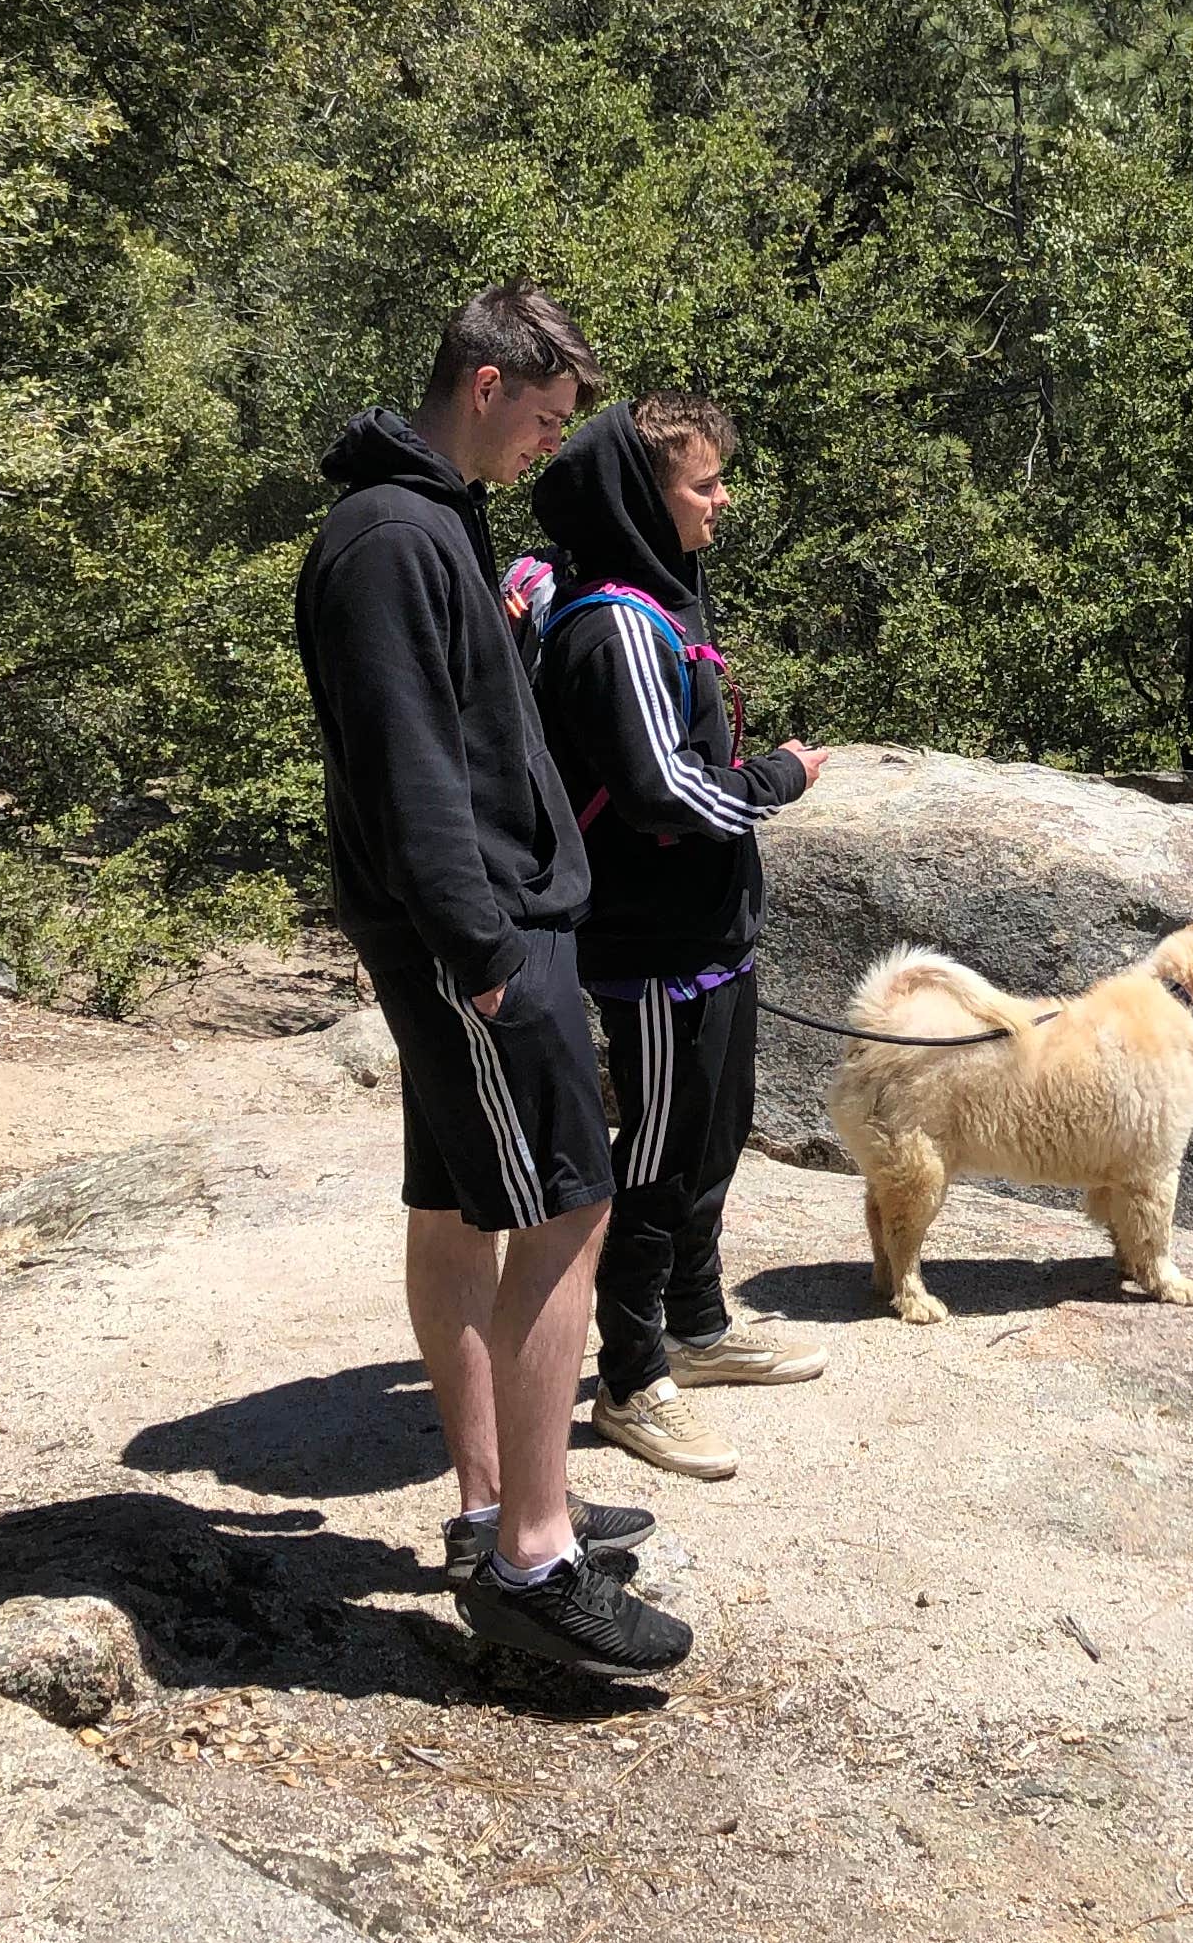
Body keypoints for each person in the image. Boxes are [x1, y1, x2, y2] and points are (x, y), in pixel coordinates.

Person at [292, 285, 695, 1685]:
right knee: (567, 1208)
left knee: (461, 1205)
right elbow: (409, 768)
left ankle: (492, 1508)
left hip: (478, 923)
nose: (548, 445)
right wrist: (482, 958)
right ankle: (534, 1560)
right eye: (543, 417)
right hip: (477, 936)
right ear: (483, 385)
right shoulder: (391, 537)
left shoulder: (433, 519)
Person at [528, 397, 823, 1480]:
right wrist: (779, 778)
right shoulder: (614, 625)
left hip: (707, 932)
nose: (722, 500)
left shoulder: (663, 600)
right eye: (704, 483)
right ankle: (632, 1378)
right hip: (650, 945)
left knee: (712, 1137)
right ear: (641, 501)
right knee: (654, 1158)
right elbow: (662, 792)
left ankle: (696, 1327)